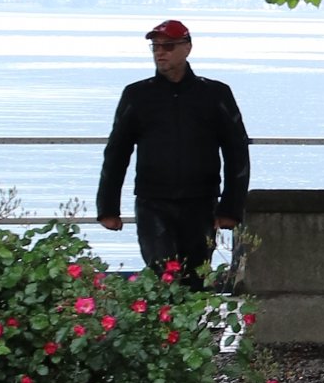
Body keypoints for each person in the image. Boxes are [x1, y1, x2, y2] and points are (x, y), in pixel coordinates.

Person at [97, 19, 250, 287]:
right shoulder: (137, 95)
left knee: (195, 279)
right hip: (152, 202)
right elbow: (117, 153)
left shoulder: (215, 94)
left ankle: (194, 315)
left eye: (167, 46)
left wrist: (231, 208)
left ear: (187, 48)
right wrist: (108, 208)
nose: (160, 53)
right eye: (155, 47)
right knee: (162, 279)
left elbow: (236, 152)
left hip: (201, 202)